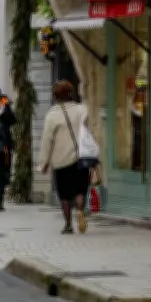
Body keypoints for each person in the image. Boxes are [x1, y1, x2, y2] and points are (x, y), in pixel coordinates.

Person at [39, 80, 92, 234]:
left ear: (55, 96)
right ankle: (80, 211)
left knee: (65, 194)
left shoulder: (52, 115)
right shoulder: (82, 109)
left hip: (61, 161)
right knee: (80, 190)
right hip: (81, 157)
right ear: (70, 93)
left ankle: (68, 224)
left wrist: (44, 162)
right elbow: (88, 128)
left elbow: (47, 140)